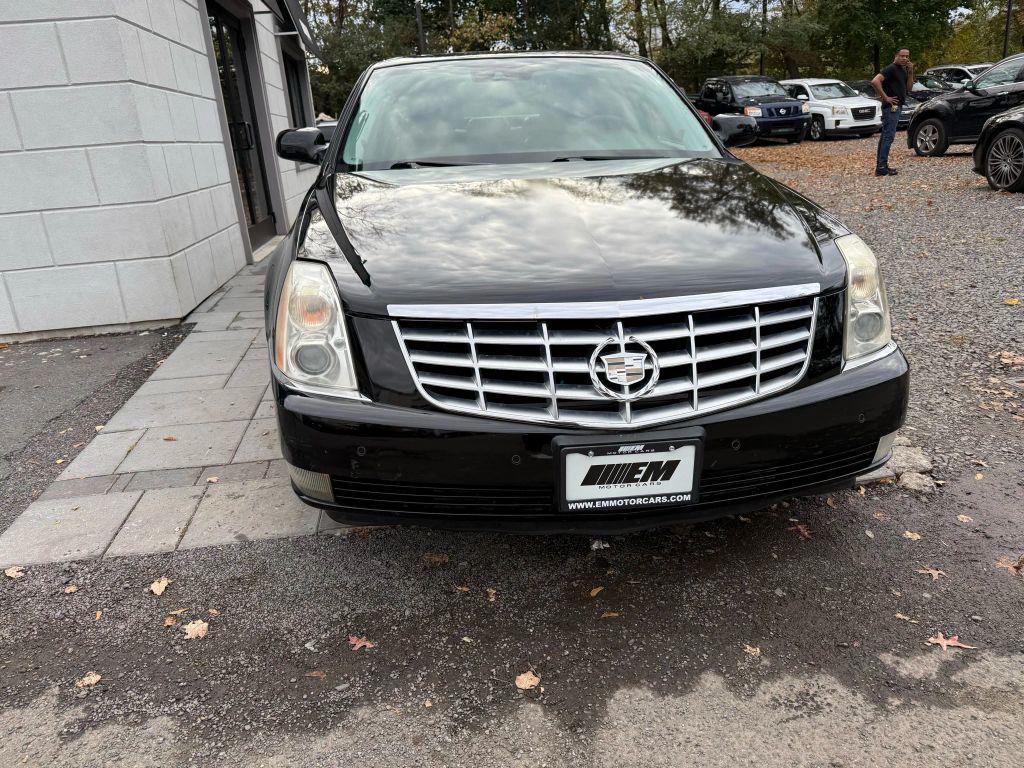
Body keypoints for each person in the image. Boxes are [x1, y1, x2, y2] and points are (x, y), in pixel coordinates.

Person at [872, 48, 911, 177]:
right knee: (888, 136)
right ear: (896, 56)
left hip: (898, 106)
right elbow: (875, 81)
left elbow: (909, 88)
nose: (904, 58)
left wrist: (910, 72)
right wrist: (886, 97)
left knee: (886, 136)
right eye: (902, 56)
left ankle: (881, 165)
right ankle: (882, 167)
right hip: (891, 107)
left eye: (907, 56)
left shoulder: (903, 70)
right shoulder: (891, 68)